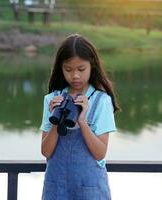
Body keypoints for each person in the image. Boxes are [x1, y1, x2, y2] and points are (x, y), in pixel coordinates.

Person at [40, 33, 120, 200]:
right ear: (60, 68)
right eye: (68, 69)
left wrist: (82, 122)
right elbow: (46, 151)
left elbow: (100, 153)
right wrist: (56, 121)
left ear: (92, 66)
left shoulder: (101, 101)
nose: (75, 75)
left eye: (81, 69)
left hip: (89, 189)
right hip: (56, 188)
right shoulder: (52, 99)